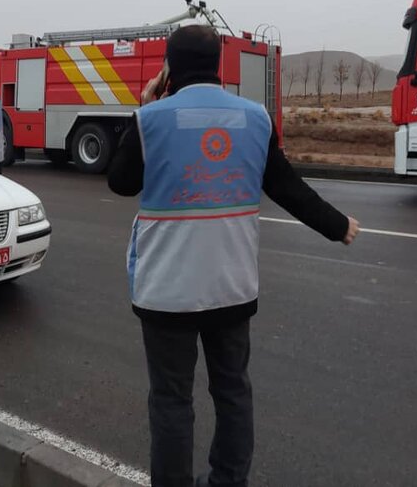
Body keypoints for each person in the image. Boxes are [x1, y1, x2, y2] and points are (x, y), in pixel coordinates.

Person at [107, 25, 359, 487]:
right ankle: (229, 480)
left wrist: (145, 107)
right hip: (232, 286)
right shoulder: (256, 117)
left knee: (171, 399)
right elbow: (285, 186)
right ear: (218, 64)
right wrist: (337, 225)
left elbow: (121, 183)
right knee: (232, 391)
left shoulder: (151, 118)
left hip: (166, 291)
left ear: (169, 68)